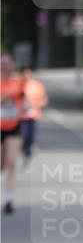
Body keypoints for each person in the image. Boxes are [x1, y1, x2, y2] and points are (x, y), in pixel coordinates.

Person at [1, 54, 26, 215]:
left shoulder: (19, 82)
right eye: (2, 64)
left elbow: (25, 100)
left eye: (7, 63)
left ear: (12, 65)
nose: (5, 66)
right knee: (1, 163)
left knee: (12, 162)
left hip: (14, 126)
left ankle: (9, 199)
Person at [20, 65, 49, 168]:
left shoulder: (37, 85)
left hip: (33, 115)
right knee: (22, 136)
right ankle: (23, 151)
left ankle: (28, 154)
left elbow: (44, 100)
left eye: (28, 73)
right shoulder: (17, 84)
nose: (26, 75)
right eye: (24, 73)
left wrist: (35, 105)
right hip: (20, 117)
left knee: (30, 138)